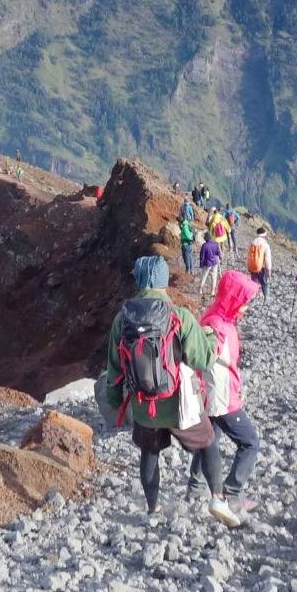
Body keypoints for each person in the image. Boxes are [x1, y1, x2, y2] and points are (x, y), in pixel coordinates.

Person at [96, 255, 217, 517]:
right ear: (164, 280)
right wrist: (211, 339)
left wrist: (115, 402)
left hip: (143, 406)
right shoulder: (179, 316)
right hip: (178, 404)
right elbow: (203, 359)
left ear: (139, 280)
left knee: (149, 454)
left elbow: (114, 369)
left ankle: (153, 507)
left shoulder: (122, 319)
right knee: (208, 442)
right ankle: (218, 499)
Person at [198, 269, 264, 527]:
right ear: (234, 298)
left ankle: (197, 488)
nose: (246, 307)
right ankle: (231, 495)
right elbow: (206, 361)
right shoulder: (217, 326)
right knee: (250, 442)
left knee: (209, 440)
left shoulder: (216, 317)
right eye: (244, 301)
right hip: (221, 397)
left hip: (212, 395)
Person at [244, 226, 272, 297]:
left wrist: (248, 265)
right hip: (261, 267)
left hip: (252, 266)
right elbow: (267, 259)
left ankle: (253, 296)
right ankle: (266, 297)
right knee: (264, 282)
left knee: (254, 282)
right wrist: (269, 269)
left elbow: (248, 255)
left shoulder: (252, 243)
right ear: (264, 235)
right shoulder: (265, 245)